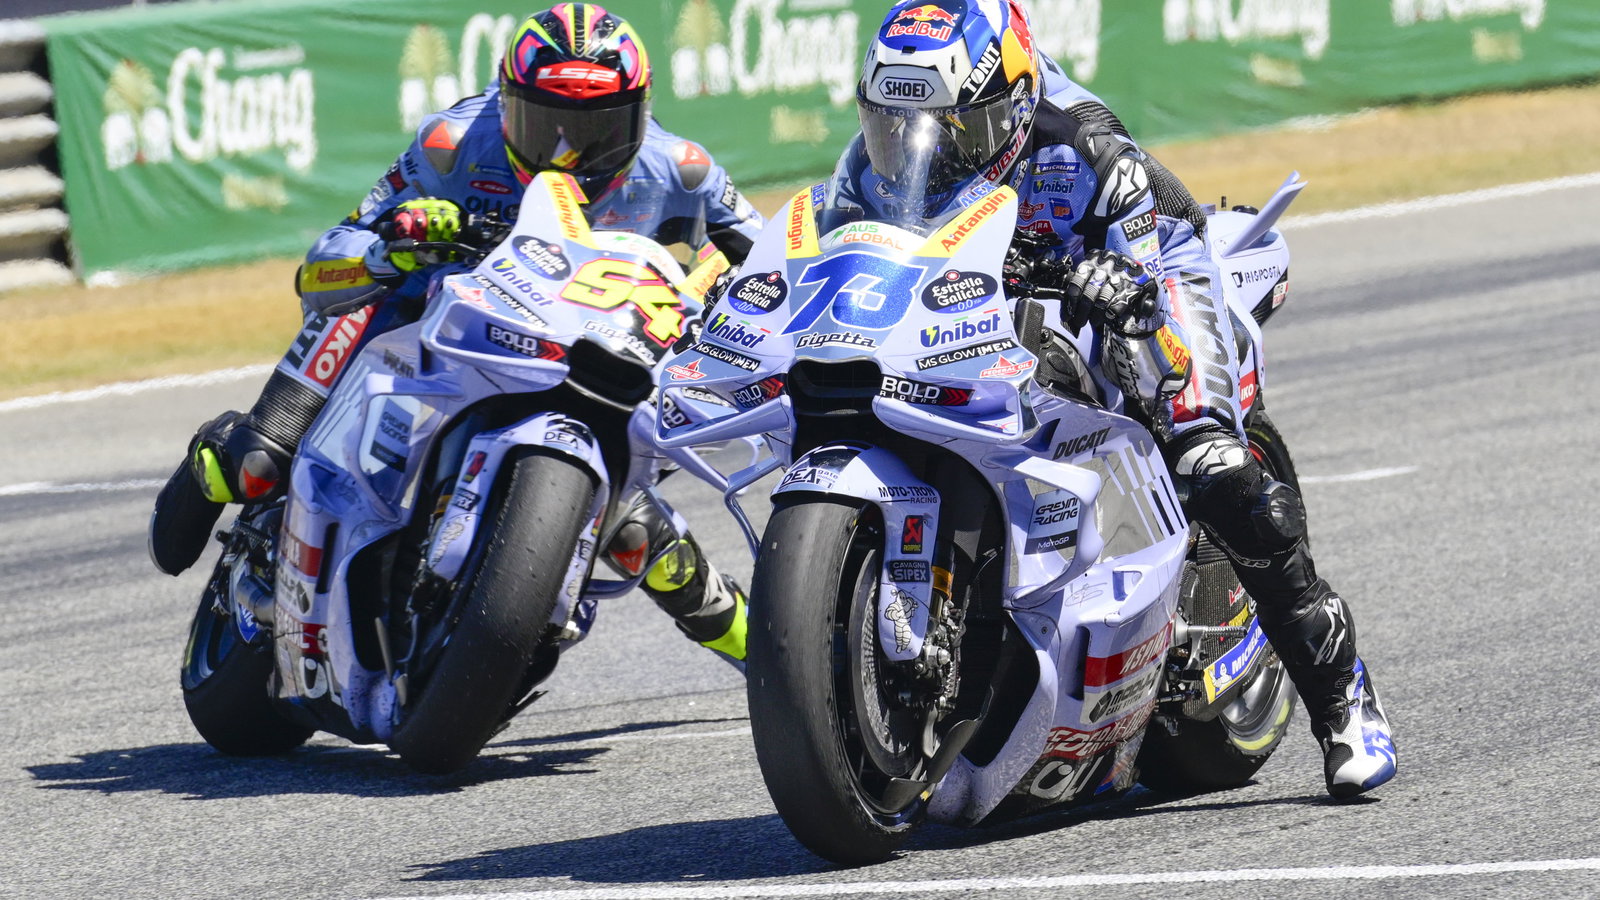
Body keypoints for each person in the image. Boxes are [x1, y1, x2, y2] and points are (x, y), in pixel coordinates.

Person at [830, 0, 1394, 798]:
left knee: (1203, 451)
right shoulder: (872, 163)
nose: (930, 151)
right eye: (899, 125)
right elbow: (844, 260)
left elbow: (1142, 296)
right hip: (989, 303)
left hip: (1150, 274)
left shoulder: (1086, 149)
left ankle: (1342, 697)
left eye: (959, 130)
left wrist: (1113, 285)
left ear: (1013, 106)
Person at [148, 3, 762, 665]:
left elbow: (771, 262)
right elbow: (323, 266)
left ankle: (779, 665)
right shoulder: (452, 143)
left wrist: (732, 295)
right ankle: (225, 456)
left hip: (579, 352)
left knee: (633, 531)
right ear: (507, 104)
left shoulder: (683, 169)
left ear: (641, 114)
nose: (571, 152)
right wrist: (392, 247)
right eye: (548, 125)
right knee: (255, 466)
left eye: (600, 128)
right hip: (426, 320)